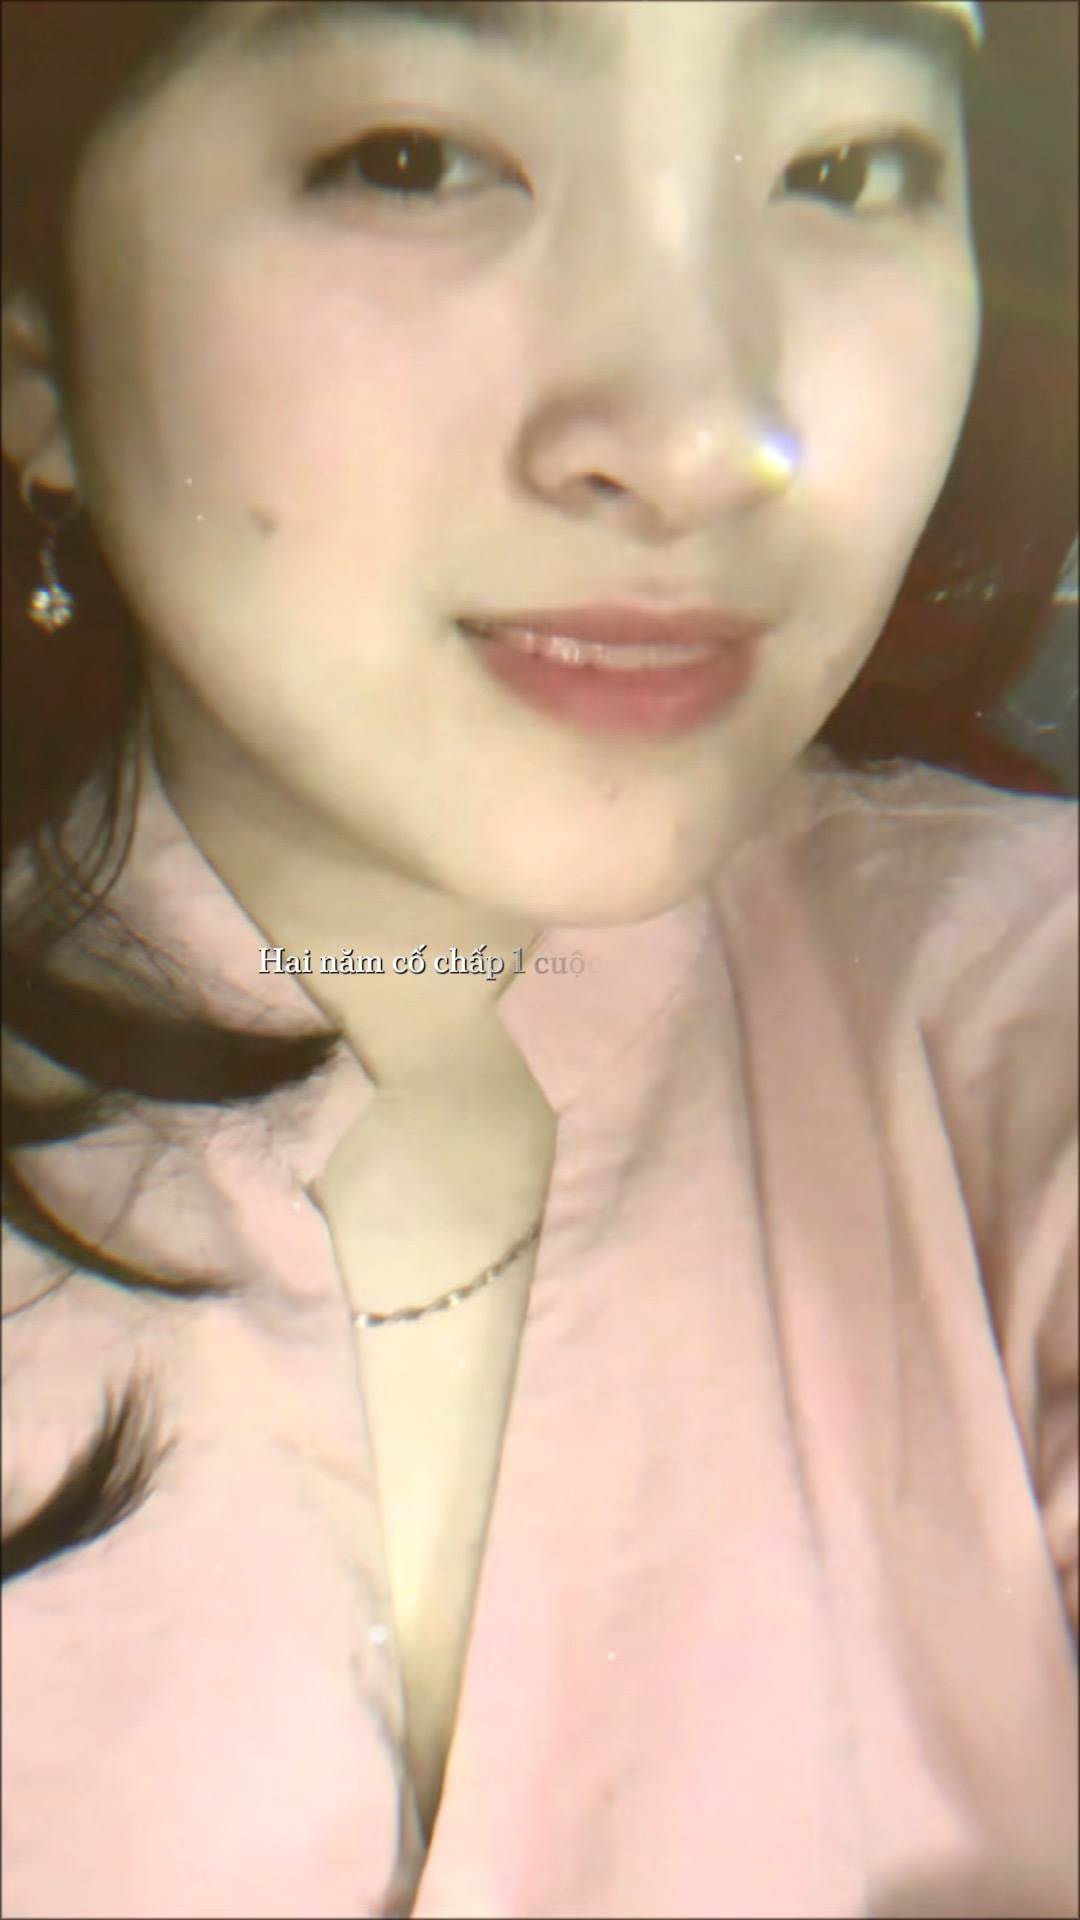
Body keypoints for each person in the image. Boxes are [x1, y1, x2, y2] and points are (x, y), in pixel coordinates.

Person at [1, 3, 1076, 1915]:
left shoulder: (1014, 996)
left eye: (844, 169)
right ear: (37, 346)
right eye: (415, 160)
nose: (703, 441)